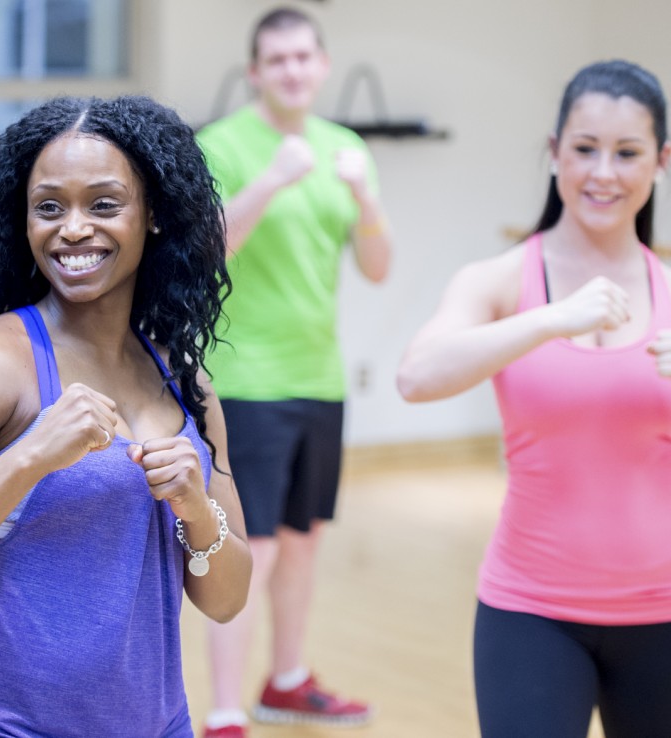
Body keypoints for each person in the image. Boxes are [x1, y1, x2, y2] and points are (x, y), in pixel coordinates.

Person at [0, 95, 252, 737]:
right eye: (49, 207)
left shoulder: (185, 381)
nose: (73, 228)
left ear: (152, 215)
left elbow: (228, 598)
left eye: (104, 204)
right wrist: (26, 460)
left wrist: (195, 507)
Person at [397, 59, 671, 738]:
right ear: (554, 154)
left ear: (661, 162)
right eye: (584, 149)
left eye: (627, 152)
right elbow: (416, 376)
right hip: (531, 611)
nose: (602, 172)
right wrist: (550, 318)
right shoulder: (498, 280)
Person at [195, 7, 392, 736]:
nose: (292, 71)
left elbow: (377, 266)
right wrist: (272, 180)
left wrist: (367, 198)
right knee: (256, 547)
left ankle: (285, 679)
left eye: (303, 57)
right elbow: (207, 249)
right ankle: (221, 709)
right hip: (249, 383)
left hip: (321, 379)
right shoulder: (223, 145)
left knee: (304, 540)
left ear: (323, 65)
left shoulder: (346, 149)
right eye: (276, 60)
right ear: (255, 71)